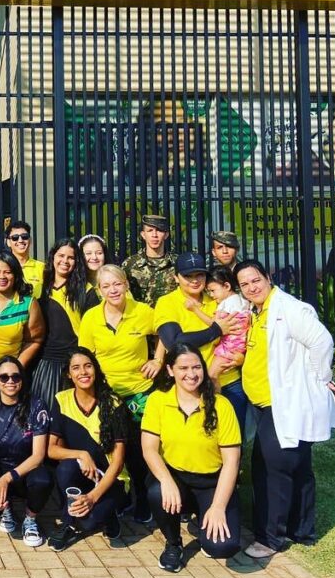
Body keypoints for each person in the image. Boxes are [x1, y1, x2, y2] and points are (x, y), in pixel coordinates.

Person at [235, 260, 335, 559]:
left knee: (272, 469)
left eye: (256, 280)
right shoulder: (256, 311)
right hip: (264, 405)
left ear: (268, 278)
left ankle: (270, 539)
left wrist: (321, 377)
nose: (252, 287)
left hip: (283, 404)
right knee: (297, 466)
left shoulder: (289, 308)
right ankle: (302, 531)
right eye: (245, 284)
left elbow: (322, 341)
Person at [142, 344, 242, 572]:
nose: (191, 374)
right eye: (183, 368)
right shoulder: (158, 400)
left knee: (222, 547)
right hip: (177, 479)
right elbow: (149, 449)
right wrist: (166, 481)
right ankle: (173, 543)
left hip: (212, 483)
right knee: (157, 492)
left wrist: (218, 507)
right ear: (170, 370)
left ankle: (205, 519)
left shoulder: (221, 405)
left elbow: (231, 462)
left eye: (197, 367)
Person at [77, 264, 156, 523]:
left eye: (117, 284)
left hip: (138, 393)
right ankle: (119, 497)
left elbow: (165, 333)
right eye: (106, 286)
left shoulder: (143, 312)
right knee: (110, 447)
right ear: (99, 291)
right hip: (107, 393)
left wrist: (158, 359)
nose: (113, 290)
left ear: (126, 285)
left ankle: (143, 498)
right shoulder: (91, 317)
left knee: (138, 450)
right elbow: (85, 356)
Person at [47, 348, 129, 552]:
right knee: (65, 469)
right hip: (81, 472)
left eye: (88, 366)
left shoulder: (114, 403)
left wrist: (92, 497)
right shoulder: (62, 399)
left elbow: (118, 463)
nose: (83, 372)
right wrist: (81, 454)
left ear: (96, 370)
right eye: (76, 368)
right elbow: (51, 449)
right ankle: (68, 524)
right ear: (69, 374)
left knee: (89, 522)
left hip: (111, 479)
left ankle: (109, 515)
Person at [154, 254, 245, 432]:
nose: (195, 280)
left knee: (233, 439)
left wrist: (242, 358)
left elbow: (243, 331)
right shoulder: (167, 303)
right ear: (176, 278)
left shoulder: (218, 297)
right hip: (190, 385)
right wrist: (216, 330)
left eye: (200, 275)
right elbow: (173, 342)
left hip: (229, 382)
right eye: (188, 276)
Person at [0, 356, 51, 548]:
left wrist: (6, 479)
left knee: (43, 481)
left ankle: (30, 519)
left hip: (27, 469)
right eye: (4, 377)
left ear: (22, 380)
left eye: (16, 377)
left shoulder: (36, 405)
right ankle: (6, 509)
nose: (10, 381)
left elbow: (38, 456)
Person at [0, 252, 45, 407]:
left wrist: (17, 366)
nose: (2, 276)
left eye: (8, 272)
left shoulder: (28, 303)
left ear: (16, 275)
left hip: (8, 376)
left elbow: (35, 340)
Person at [33, 240, 96, 408]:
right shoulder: (39, 289)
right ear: (53, 257)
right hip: (46, 362)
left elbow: (94, 329)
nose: (65, 261)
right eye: (61, 256)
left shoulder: (86, 290)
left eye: (71, 258)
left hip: (75, 362)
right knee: (44, 413)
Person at [120, 214, 177, 307]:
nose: (154, 235)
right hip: (140, 315)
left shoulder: (176, 263)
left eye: (159, 230)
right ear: (143, 235)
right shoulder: (130, 264)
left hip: (168, 315)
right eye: (150, 230)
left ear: (166, 235)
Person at [5, 220, 45, 298]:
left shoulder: (42, 267)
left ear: (30, 240)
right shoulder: (3, 266)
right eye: (15, 238)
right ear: (8, 242)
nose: (20, 240)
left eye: (24, 237)